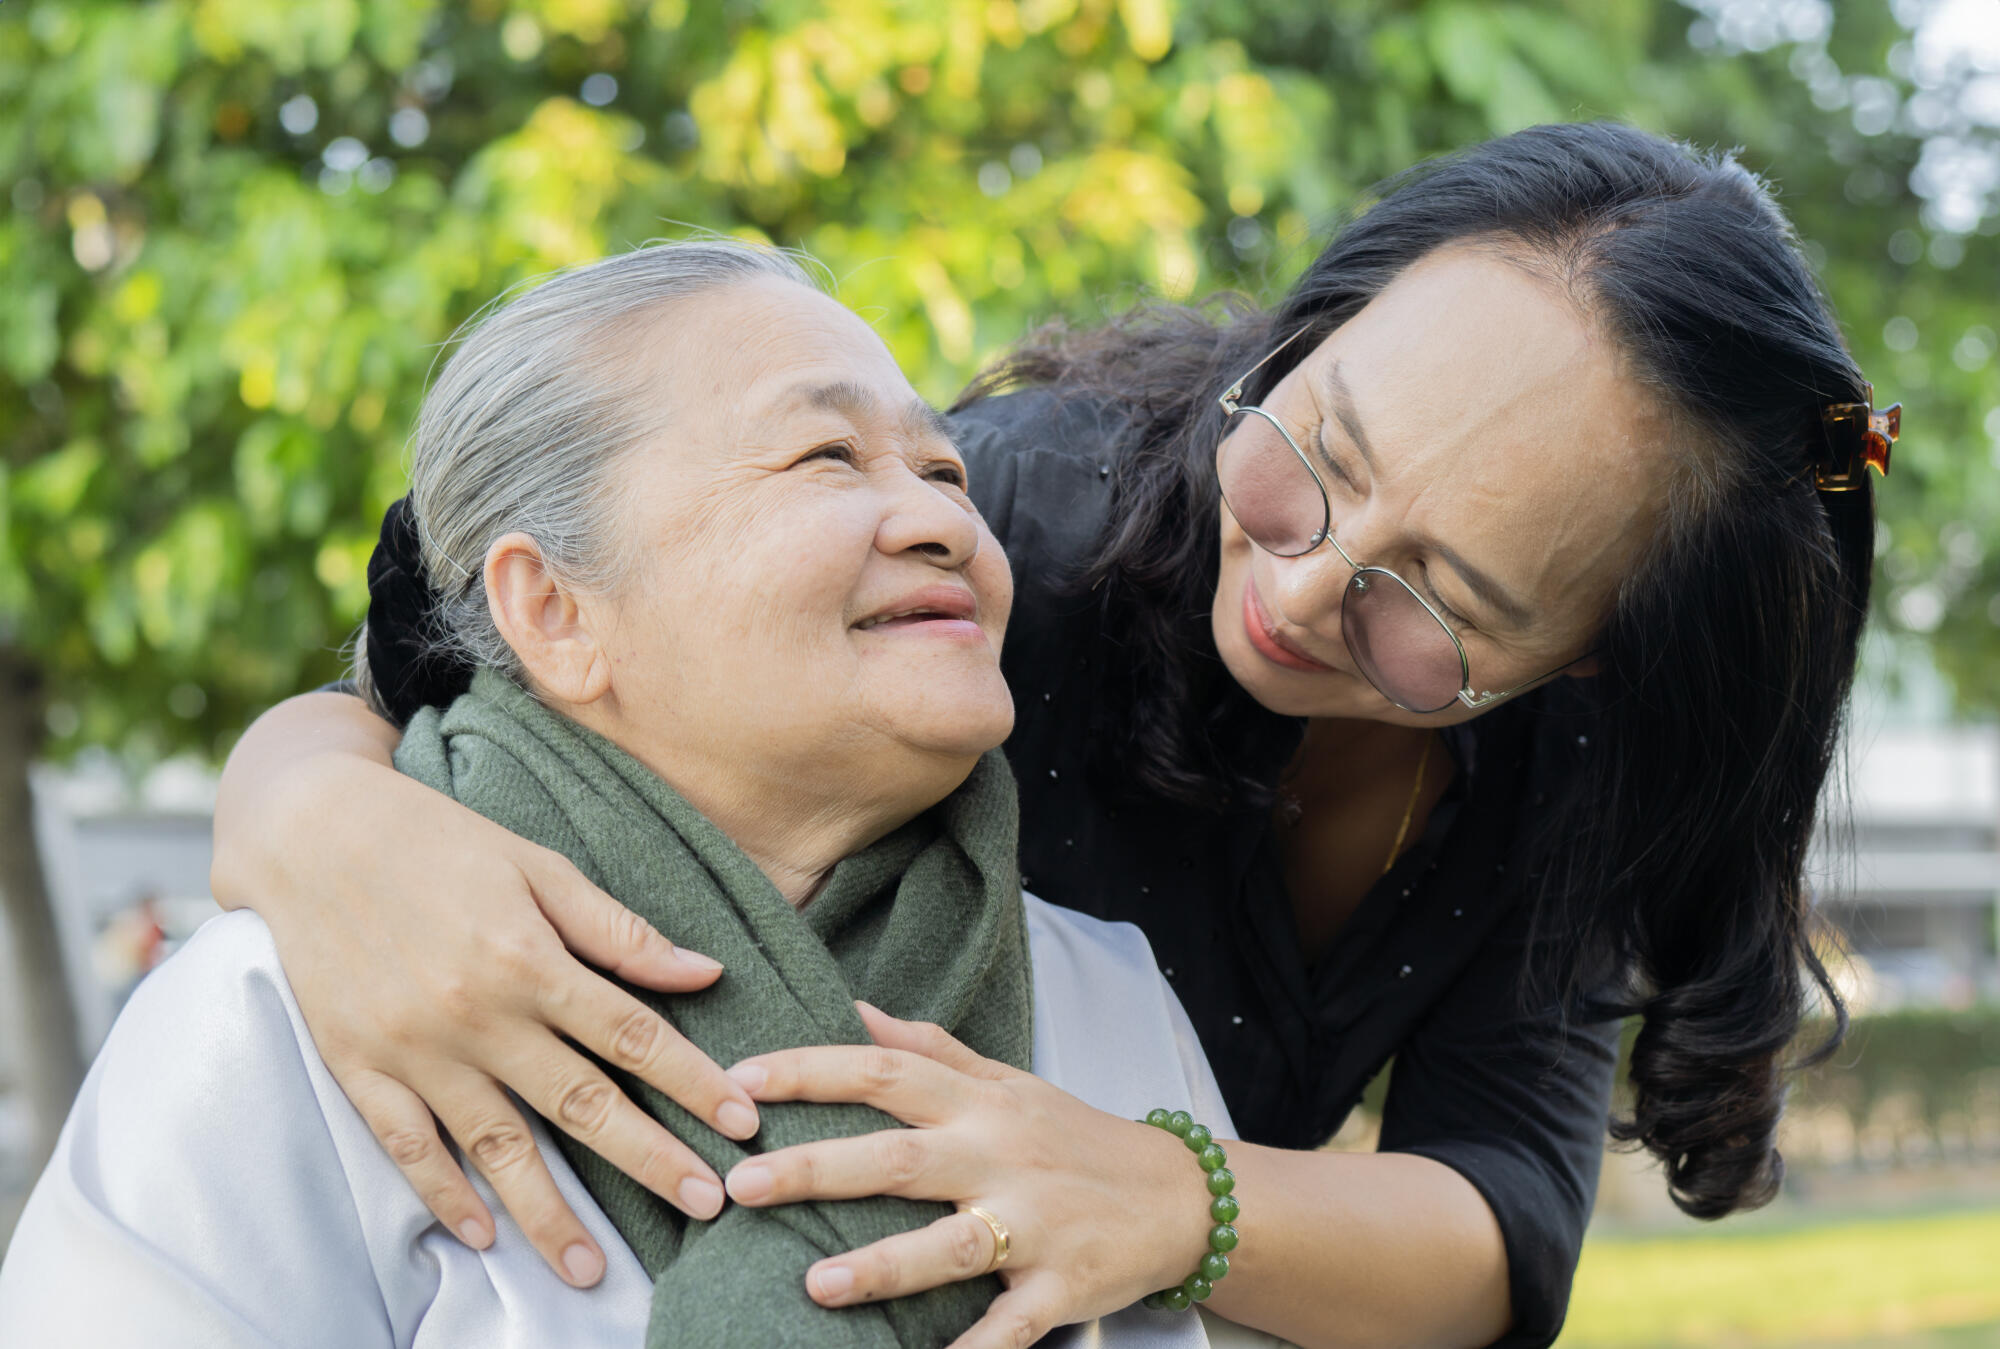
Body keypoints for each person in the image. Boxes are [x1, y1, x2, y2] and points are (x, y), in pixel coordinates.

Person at [202, 122, 1895, 1349]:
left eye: (1439, 600)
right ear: (1319, 322)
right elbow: (498, 623)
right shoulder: (998, 537)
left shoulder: (1567, 769)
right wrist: (307, 816)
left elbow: (1503, 1224)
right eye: (1317, 452)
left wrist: (1177, 1196)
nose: (1303, 585)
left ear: (1591, 659)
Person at [0, 242, 1287, 1349]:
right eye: (827, 454)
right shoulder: (272, 1011)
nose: (943, 521)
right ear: (554, 610)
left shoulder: (1104, 989)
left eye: (944, 472)